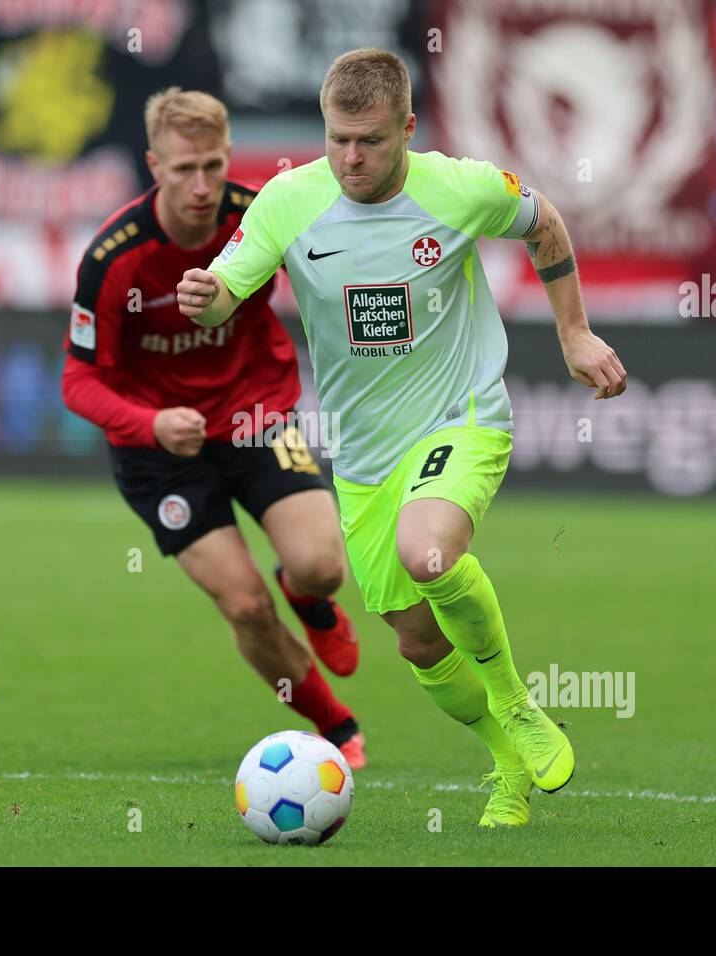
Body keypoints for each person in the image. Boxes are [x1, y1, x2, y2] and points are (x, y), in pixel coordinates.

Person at [176, 50, 628, 825]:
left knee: (430, 551)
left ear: (408, 130)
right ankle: (507, 762)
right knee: (418, 642)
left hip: (462, 417)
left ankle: (518, 703)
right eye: (337, 138)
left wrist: (575, 332)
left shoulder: (461, 189)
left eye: (371, 141)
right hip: (364, 455)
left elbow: (543, 222)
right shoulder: (290, 201)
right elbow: (226, 290)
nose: (350, 158)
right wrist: (203, 297)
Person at [62, 88, 366, 768]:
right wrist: (150, 422)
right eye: (183, 170)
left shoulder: (260, 214)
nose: (202, 186)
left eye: (214, 165)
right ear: (153, 166)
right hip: (161, 452)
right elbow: (77, 382)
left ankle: (307, 597)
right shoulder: (114, 257)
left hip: (258, 412)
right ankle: (337, 728)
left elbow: (332, 277)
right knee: (248, 608)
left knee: (321, 566)